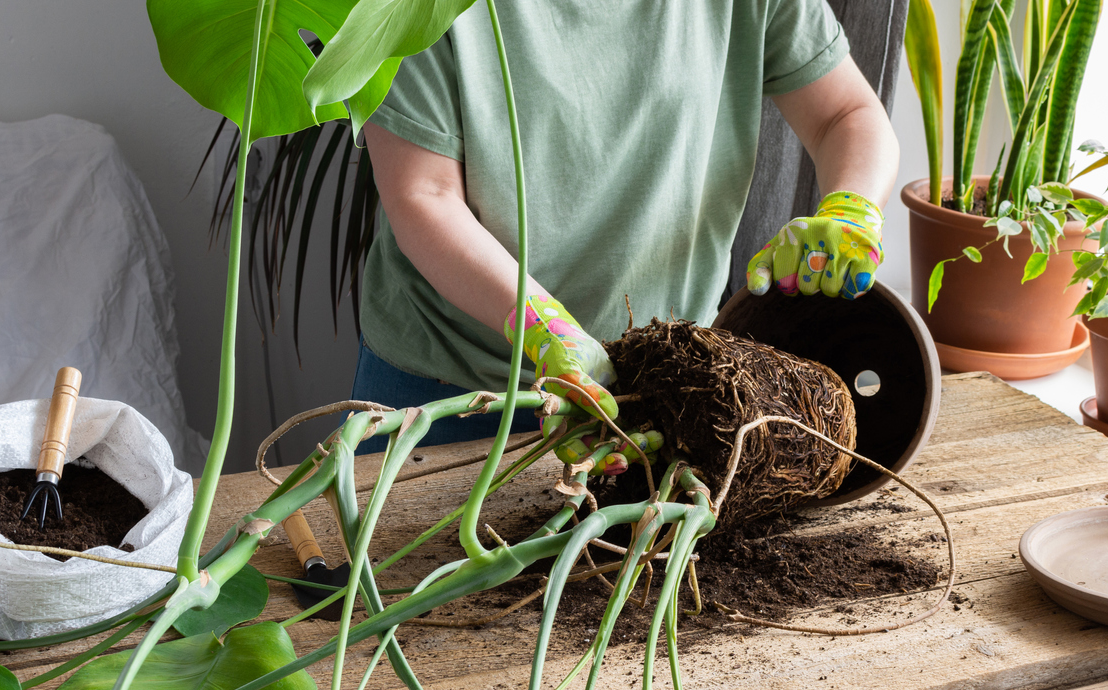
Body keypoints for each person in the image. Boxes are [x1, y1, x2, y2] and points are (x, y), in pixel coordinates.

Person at [351, 0, 898, 465]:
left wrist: (851, 208)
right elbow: (425, 195)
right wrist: (545, 330)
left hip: (666, 384)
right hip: (455, 385)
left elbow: (845, 114)